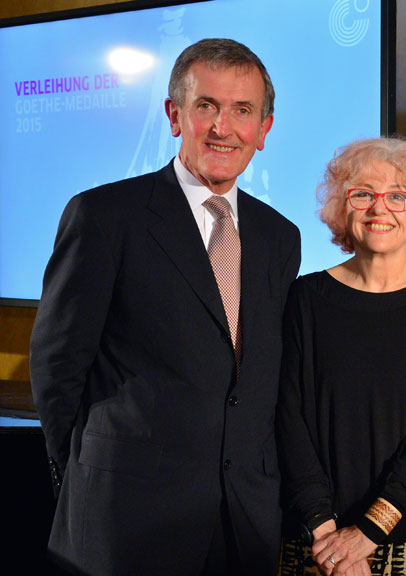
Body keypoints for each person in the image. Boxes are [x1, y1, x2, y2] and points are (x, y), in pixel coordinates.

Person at [30, 39, 301, 575]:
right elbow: (57, 366)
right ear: (175, 116)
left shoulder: (279, 236)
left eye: (242, 110)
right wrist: (91, 472)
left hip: (242, 524)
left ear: (264, 130)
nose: (224, 127)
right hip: (125, 522)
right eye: (207, 106)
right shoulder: (105, 215)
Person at [276, 137, 406, 576]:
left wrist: (367, 532)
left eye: (399, 196)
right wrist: (325, 532)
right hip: (315, 541)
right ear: (341, 206)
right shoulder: (305, 297)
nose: (378, 209)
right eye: (363, 194)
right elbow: (287, 416)